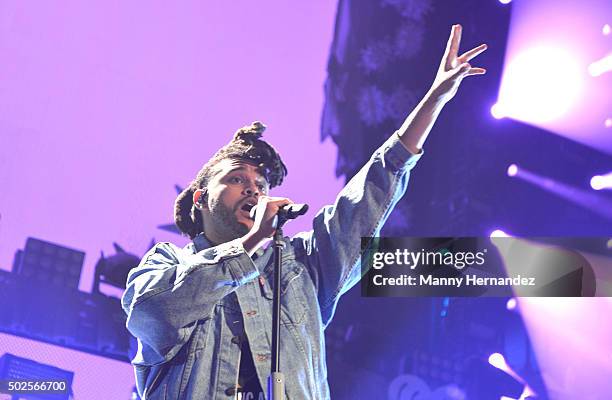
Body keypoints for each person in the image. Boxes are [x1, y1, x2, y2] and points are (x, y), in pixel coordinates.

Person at [122, 24, 487, 400]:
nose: (253, 188)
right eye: (235, 179)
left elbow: (364, 201)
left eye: (261, 186)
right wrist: (249, 243)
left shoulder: (299, 265)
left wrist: (434, 100)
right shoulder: (164, 265)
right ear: (199, 199)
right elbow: (155, 315)